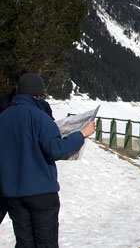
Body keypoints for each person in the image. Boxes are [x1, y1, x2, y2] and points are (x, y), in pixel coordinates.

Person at [0, 72, 95, 247]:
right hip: (40, 192)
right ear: (38, 94)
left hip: (12, 193)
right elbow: (55, 149)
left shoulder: (3, 117)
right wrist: (82, 134)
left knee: (24, 242)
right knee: (46, 242)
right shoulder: (40, 117)